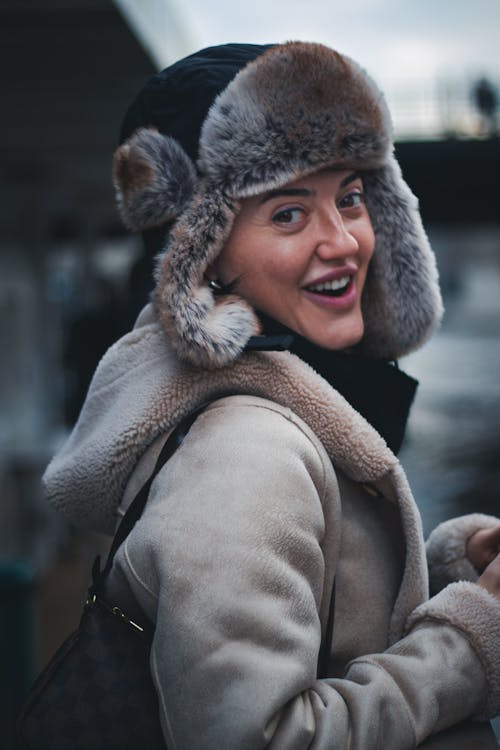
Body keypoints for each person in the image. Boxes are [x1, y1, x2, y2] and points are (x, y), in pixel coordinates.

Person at [43, 42, 500, 749]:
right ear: (204, 254)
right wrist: (468, 646)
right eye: (289, 214)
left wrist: (453, 577)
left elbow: (325, 637)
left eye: (350, 196)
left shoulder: (268, 410)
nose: (344, 240)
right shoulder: (246, 457)